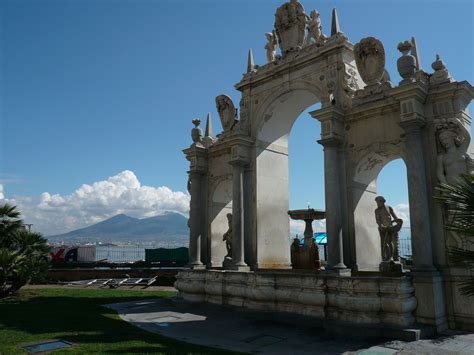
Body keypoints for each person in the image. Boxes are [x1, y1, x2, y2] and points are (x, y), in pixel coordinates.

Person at [374, 196, 403, 262]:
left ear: (382, 201)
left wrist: (398, 221)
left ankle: (395, 257)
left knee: (395, 243)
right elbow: (378, 221)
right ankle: (387, 257)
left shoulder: (389, 207)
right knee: (385, 244)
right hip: (383, 229)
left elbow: (394, 217)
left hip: (391, 228)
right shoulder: (377, 211)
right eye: (376, 202)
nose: (377, 204)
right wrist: (382, 226)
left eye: (378, 202)